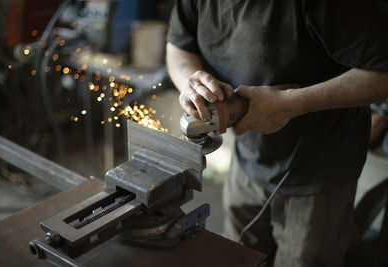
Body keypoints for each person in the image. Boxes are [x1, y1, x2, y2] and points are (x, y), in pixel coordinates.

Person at [166, 0, 388, 266]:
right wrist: (190, 82)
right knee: (237, 255)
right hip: (248, 158)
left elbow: (383, 74)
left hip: (319, 169)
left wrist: (290, 104)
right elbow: (179, 47)